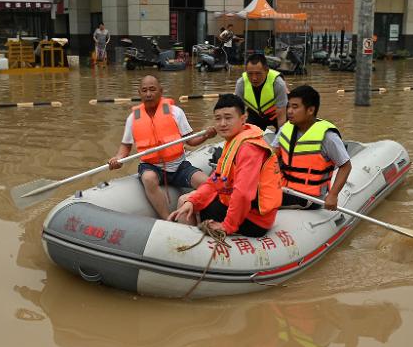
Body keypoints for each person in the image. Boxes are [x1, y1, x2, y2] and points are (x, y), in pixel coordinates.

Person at [168, 94, 281, 237]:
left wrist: (227, 226)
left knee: (185, 202)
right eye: (218, 118)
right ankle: (193, 239)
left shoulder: (249, 149)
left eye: (228, 118)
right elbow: (215, 181)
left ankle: (191, 247)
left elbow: (243, 194)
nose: (222, 123)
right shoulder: (233, 142)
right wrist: (194, 201)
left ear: (243, 119)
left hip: (254, 219)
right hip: (241, 208)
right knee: (188, 201)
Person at [108, 75, 217, 219]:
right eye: (144, 90)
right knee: (148, 178)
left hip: (179, 166)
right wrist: (118, 159)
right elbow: (125, 147)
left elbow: (191, 141)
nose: (148, 94)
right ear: (139, 93)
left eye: (152, 90)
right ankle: (167, 218)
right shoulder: (132, 118)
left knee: (206, 182)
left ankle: (201, 211)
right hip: (151, 166)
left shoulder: (175, 112)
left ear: (161, 91)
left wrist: (205, 136)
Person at [273, 85, 352, 210]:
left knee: (258, 199)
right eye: (288, 106)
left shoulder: (328, 137)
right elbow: (270, 155)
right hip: (284, 188)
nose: (289, 111)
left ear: (310, 110)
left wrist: (333, 195)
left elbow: (345, 166)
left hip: (309, 197)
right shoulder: (285, 129)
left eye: (295, 107)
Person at [234, 53, 287, 131]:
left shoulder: (278, 83)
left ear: (266, 71)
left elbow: (281, 116)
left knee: (287, 128)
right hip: (255, 114)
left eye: (258, 73)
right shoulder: (241, 83)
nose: (254, 78)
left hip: (275, 113)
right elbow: (238, 113)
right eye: (250, 74)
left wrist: (281, 139)